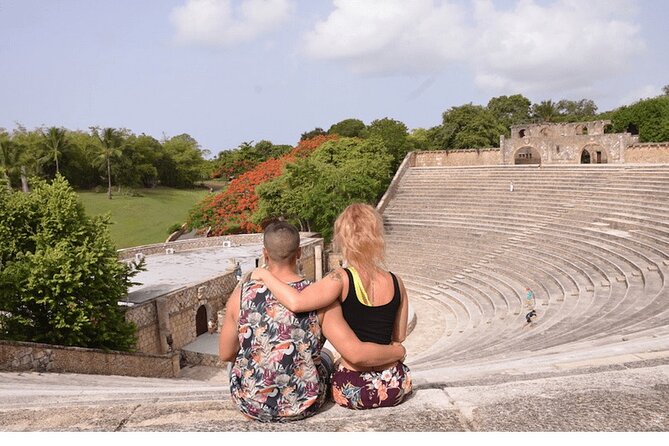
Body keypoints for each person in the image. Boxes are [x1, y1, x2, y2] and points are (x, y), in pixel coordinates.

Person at [219, 221, 405, 422]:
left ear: (265, 253)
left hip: (251, 404)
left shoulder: (240, 295)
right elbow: (353, 350)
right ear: (299, 252)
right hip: (306, 404)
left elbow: (226, 353)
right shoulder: (318, 298)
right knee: (326, 354)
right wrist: (398, 350)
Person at [251, 203, 412, 410]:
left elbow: (297, 302)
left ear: (343, 239)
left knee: (326, 359)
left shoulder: (340, 279)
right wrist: (399, 351)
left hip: (354, 387)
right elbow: (398, 337)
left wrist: (264, 274)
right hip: (394, 384)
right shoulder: (397, 282)